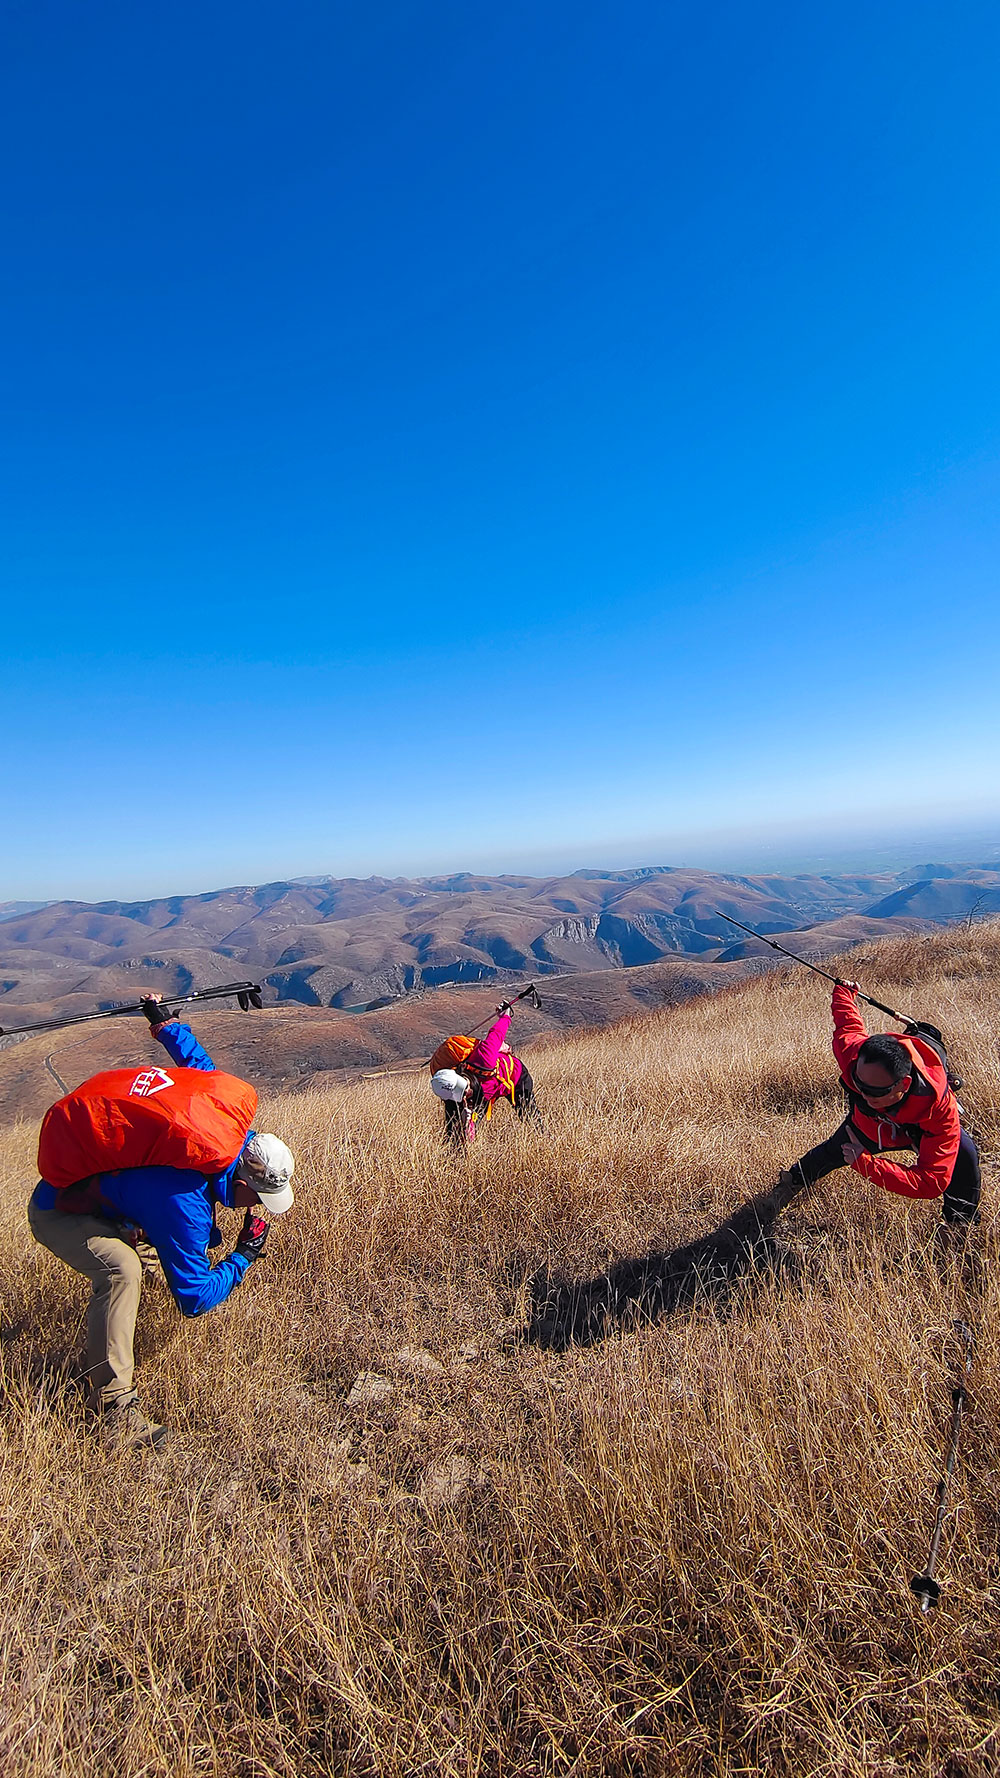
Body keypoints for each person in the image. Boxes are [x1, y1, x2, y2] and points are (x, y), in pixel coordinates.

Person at [27, 994, 295, 1450]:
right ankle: (113, 1411)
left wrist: (168, 1025)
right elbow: (193, 1299)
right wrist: (242, 1257)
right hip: (58, 1211)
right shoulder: (184, 1203)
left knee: (150, 1258)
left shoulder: (224, 1128)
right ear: (245, 1181)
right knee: (121, 1271)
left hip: (111, 1203)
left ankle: (110, 1347)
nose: (254, 1205)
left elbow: (200, 1073)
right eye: (259, 1196)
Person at [780, 982, 980, 1226]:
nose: (863, 1095)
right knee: (832, 1151)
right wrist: (844, 991)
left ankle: (961, 1223)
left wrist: (865, 1163)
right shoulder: (855, 1057)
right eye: (858, 1084)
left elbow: (930, 1183)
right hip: (869, 1127)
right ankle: (793, 1181)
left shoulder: (938, 1108)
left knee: (965, 1156)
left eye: (875, 1092)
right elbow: (847, 1023)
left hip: (921, 1129)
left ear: (904, 1084)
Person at [433, 1001, 541, 1145]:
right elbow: (455, 1117)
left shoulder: (484, 1059)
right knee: (457, 1127)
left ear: (464, 1083)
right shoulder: (450, 1091)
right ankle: (457, 1156)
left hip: (516, 1079)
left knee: (529, 1116)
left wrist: (505, 1015)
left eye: (465, 1094)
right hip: (487, 1092)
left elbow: (496, 1034)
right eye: (461, 1097)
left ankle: (542, 1139)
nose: (465, 1099)